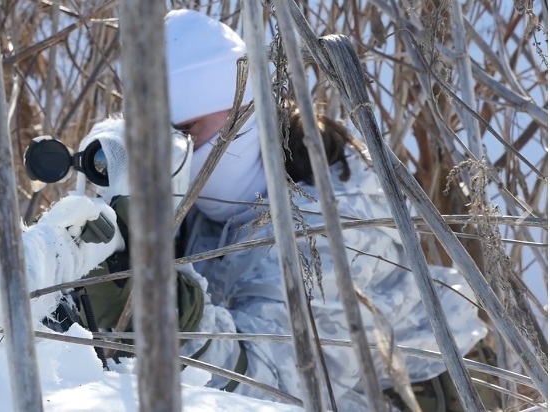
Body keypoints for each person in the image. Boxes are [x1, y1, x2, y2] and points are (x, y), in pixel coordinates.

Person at [73, 9, 495, 411]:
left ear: (246, 107)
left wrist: (170, 313)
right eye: (155, 138)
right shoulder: (207, 203)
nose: (174, 153)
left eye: (187, 131)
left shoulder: (331, 218)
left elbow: (275, 386)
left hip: (414, 396)